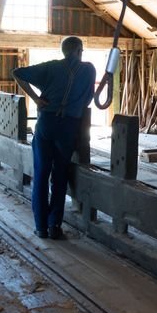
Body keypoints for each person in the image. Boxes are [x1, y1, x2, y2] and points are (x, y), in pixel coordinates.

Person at [12, 36, 96, 240]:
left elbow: (17, 73)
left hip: (46, 124)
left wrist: (35, 98)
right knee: (60, 177)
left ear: (64, 51)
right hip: (68, 127)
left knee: (41, 174)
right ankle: (54, 226)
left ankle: (40, 227)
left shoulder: (50, 67)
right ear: (79, 50)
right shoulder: (89, 70)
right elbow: (87, 100)